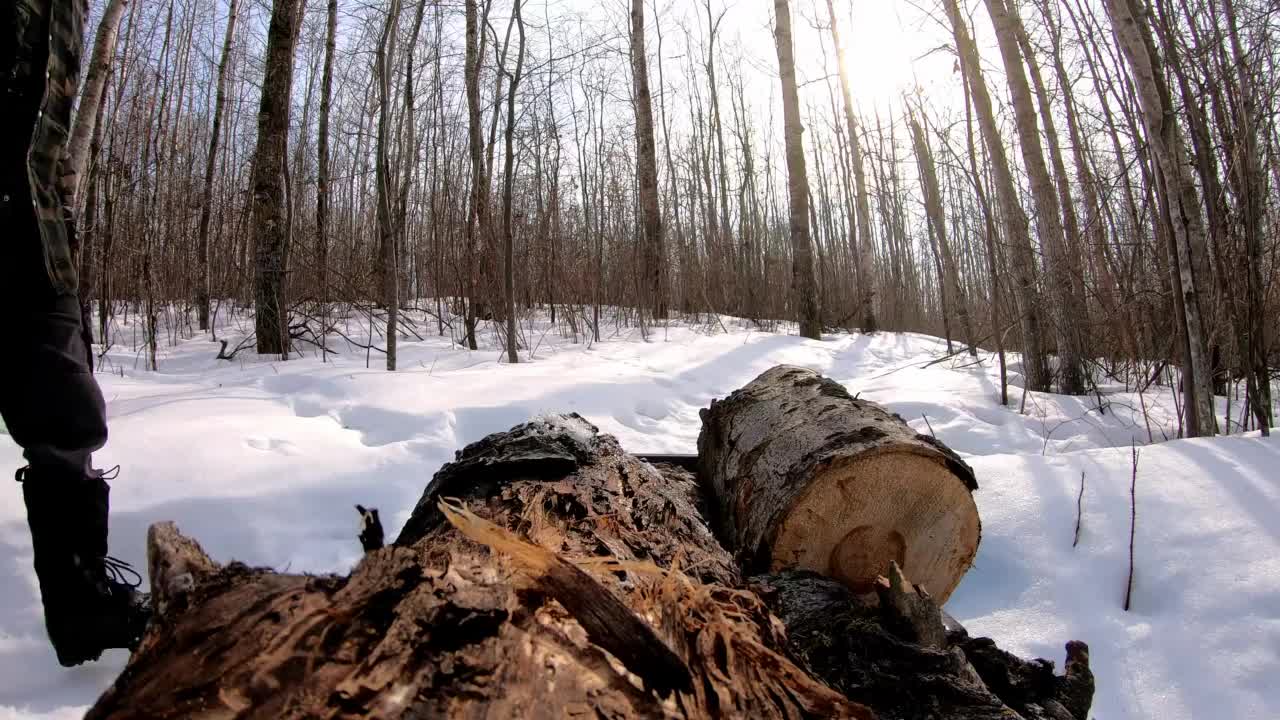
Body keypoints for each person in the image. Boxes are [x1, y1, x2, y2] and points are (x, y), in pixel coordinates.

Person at [2, 0, 150, 667]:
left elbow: (46, 132)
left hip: (33, 233)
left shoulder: (68, 8)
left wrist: (60, 212)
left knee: (66, 414)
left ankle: (82, 605)